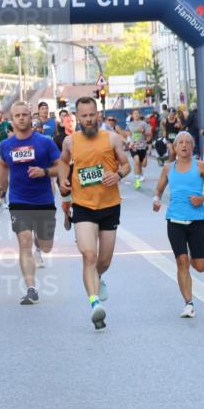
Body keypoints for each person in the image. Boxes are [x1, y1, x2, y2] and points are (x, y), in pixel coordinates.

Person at [57, 96, 132, 330]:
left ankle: (97, 278)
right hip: (83, 206)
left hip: (109, 206)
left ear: (98, 115)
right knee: (89, 255)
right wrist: (62, 181)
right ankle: (94, 303)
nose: (89, 120)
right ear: (77, 118)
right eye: (84, 116)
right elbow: (62, 162)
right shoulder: (70, 141)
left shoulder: (112, 138)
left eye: (92, 115)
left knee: (104, 260)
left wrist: (118, 175)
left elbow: (126, 164)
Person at [0, 102, 62, 304]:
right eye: (18, 115)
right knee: (24, 243)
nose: (22, 118)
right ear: (12, 120)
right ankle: (31, 289)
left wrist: (45, 172)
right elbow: (3, 164)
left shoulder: (44, 142)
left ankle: (40, 243)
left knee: (46, 246)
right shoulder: (7, 145)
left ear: (30, 118)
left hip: (43, 200)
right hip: (18, 200)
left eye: (25, 114)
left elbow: (62, 166)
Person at [153, 131, 204, 318]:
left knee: (200, 266)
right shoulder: (168, 169)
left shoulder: (201, 167)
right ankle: (188, 303)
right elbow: (158, 189)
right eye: (180, 143)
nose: (184, 145)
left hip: (196, 221)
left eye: (187, 143)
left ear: (192, 147)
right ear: (174, 148)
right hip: (174, 220)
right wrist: (156, 200)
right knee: (181, 262)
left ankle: (194, 255)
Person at [125, 109, 152, 189]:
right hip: (134, 146)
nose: (136, 115)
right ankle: (137, 181)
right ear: (132, 115)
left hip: (142, 146)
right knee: (137, 161)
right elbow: (126, 134)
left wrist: (143, 131)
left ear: (139, 115)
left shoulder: (143, 123)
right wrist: (129, 141)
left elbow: (149, 134)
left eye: (137, 113)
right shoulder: (129, 125)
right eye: (134, 113)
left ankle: (141, 173)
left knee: (143, 164)